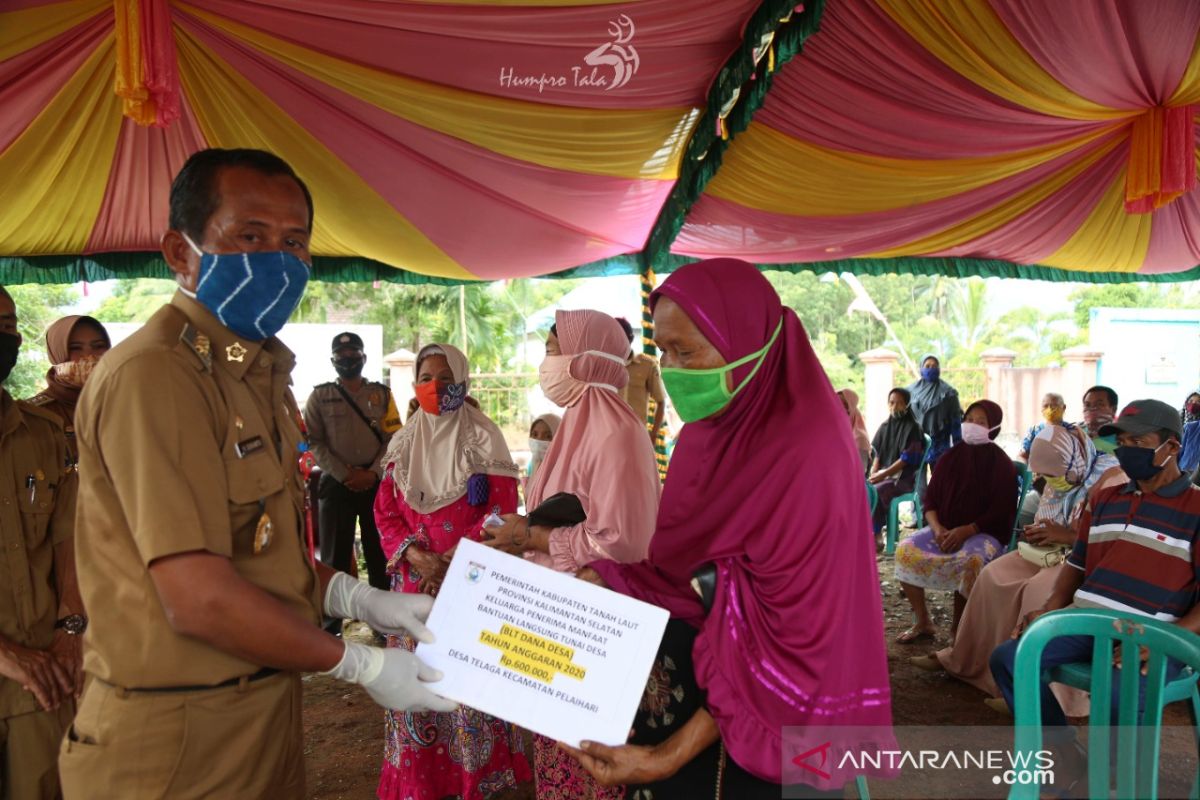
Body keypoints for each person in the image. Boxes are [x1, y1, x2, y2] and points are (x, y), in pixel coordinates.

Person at [59, 148, 453, 800]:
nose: (278, 258)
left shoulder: (253, 373)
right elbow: (197, 596)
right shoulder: (157, 376)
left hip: (257, 713)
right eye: (250, 236)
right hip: (177, 739)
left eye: (294, 241)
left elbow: (258, 551)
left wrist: (354, 598)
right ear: (181, 253)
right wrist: (356, 662)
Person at [564, 259, 892, 799]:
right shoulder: (708, 433)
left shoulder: (807, 451)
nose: (669, 368)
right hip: (695, 691)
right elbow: (682, 572)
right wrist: (610, 580)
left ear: (746, 344)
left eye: (686, 352)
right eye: (663, 351)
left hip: (776, 727)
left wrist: (663, 758)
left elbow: (789, 640)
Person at [482, 309, 660, 800]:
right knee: (561, 761)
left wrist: (529, 538)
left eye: (553, 349)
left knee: (595, 767)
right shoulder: (576, 426)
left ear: (586, 359)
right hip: (557, 621)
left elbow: (619, 540)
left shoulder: (616, 434)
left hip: (592, 627)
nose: (546, 362)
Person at [991, 399, 1200, 788]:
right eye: (1120, 441)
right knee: (1010, 657)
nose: (1125, 450)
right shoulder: (1106, 499)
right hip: (1087, 620)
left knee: (1121, 689)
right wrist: (1051, 609)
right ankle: (1064, 753)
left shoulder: (1196, 507)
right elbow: (1076, 564)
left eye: (1137, 441)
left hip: (1150, 634)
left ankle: (1116, 782)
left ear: (1172, 447)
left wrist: (1169, 640)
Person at [373, 343, 529, 800]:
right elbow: (385, 513)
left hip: (469, 586)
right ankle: (422, 785)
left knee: (467, 692)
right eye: (426, 377)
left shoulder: (484, 438)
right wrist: (419, 558)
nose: (435, 387)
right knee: (416, 687)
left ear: (463, 380)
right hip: (413, 591)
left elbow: (502, 509)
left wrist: (452, 562)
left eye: (446, 378)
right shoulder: (402, 442)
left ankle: (477, 782)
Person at [911, 422, 1126, 718]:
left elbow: (1111, 540)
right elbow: (1048, 511)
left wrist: (1065, 536)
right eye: (1045, 474)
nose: (1050, 481)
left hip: (1084, 561)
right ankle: (964, 661)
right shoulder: (1062, 471)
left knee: (1038, 593)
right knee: (991, 576)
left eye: (1053, 474)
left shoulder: (1112, 479)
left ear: (1072, 460)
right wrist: (1040, 531)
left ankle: (1025, 689)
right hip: (1047, 552)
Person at [0, 287, 82, 800]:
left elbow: (67, 540)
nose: (3, 335)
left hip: (41, 679)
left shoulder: (43, 435)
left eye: (9, 325)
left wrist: (71, 627)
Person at [894, 400, 1017, 643]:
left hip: (984, 532)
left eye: (981, 422)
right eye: (969, 419)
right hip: (944, 527)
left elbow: (1001, 511)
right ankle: (923, 621)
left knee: (971, 560)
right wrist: (938, 529)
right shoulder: (949, 458)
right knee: (905, 549)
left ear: (993, 428)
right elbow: (930, 502)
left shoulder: (1001, 464)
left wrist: (967, 530)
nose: (972, 425)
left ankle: (957, 630)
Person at [304, 331, 400, 619]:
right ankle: (333, 625)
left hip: (375, 485)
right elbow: (313, 441)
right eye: (341, 357)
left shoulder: (382, 395)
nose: (348, 361)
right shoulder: (320, 397)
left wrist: (372, 473)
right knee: (334, 558)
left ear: (364, 358)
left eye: (353, 355)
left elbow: (394, 438)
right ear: (333, 361)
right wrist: (345, 474)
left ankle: (383, 621)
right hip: (336, 484)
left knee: (380, 553)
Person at [24, 315, 110, 465]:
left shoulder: (124, 404)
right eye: (75, 348)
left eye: (98, 346)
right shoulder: (34, 415)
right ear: (57, 354)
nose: (89, 356)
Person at [868, 387, 925, 536]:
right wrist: (873, 475)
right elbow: (878, 454)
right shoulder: (885, 426)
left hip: (904, 479)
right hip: (885, 475)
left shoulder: (913, 428)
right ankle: (867, 530)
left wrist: (881, 476)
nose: (894, 407)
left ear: (907, 405)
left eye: (899, 403)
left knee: (877, 491)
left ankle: (876, 534)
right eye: (892, 402)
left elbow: (905, 460)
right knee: (866, 488)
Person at [906, 355, 961, 500]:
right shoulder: (910, 391)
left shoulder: (949, 393)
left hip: (940, 444)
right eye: (927, 366)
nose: (931, 369)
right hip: (917, 444)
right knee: (918, 482)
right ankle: (919, 514)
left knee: (941, 482)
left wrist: (958, 448)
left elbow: (956, 422)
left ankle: (940, 512)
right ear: (921, 368)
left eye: (934, 366)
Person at [615, 317, 667, 443]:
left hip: (637, 436)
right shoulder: (603, 366)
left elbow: (661, 402)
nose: (615, 342)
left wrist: (653, 435)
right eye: (612, 338)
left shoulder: (647, 365)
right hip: (610, 436)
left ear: (631, 338)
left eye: (620, 338)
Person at [1019, 392, 1070, 461]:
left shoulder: (1071, 431)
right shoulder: (1034, 431)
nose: (1050, 409)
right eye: (1045, 406)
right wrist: (1028, 470)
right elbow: (1022, 456)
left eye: (1054, 405)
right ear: (1041, 409)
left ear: (1064, 407)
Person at [838, 387, 872, 472]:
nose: (839, 410)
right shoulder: (837, 433)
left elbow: (860, 471)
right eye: (836, 404)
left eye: (845, 405)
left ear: (851, 407)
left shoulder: (860, 438)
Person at [527, 412, 561, 483]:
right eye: (535, 434)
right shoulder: (532, 466)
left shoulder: (564, 472)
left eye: (548, 436)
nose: (539, 440)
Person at [1178, 390, 1200, 474]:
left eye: (1198, 402)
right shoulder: (1178, 418)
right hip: (1184, 466)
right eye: (1191, 401)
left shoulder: (1193, 426)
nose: (1194, 404)